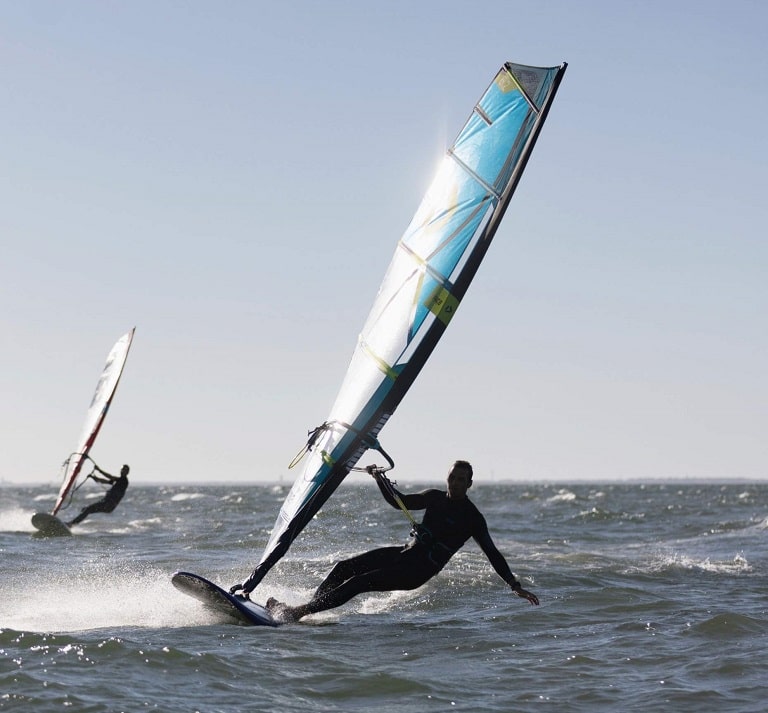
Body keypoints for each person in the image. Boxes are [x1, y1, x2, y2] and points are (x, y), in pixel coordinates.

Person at [262, 459, 539, 622]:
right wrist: (380, 479)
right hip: (404, 554)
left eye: (460, 479)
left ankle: (297, 613)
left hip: (417, 571)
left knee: (358, 583)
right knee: (343, 568)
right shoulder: (435, 497)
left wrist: (514, 585)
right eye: (452, 477)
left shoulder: (472, 518)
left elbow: (492, 553)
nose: (454, 482)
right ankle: (307, 610)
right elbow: (400, 502)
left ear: (469, 484)